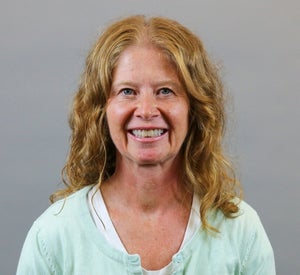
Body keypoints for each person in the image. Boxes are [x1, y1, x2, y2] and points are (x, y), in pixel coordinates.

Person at [16, 15, 275, 274]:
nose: (147, 110)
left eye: (165, 91)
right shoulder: (53, 238)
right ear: (101, 109)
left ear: (194, 109)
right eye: (127, 91)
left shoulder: (242, 233)